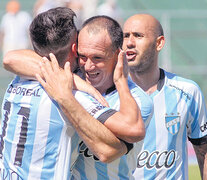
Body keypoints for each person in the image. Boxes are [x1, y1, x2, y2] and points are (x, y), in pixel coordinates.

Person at [0, 8, 144, 179]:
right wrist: (121, 80)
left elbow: (9, 58)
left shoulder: (17, 81)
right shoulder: (74, 96)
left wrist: (76, 80)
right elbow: (125, 136)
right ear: (75, 48)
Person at [122, 14, 207, 180]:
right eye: (126, 36)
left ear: (159, 43)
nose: (129, 42)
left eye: (138, 35)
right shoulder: (110, 92)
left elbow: (204, 152)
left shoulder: (188, 92)